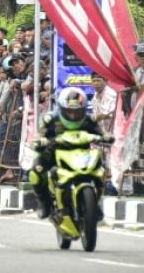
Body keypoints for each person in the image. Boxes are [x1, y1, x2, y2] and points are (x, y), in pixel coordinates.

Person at [29, 87, 107, 219]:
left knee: (101, 168)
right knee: (37, 170)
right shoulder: (50, 119)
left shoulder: (89, 120)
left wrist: (106, 137)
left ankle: (95, 203)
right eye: (69, 112)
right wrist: (40, 141)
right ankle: (43, 203)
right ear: (61, 108)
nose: (73, 115)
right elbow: (38, 136)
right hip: (54, 154)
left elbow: (102, 134)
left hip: (83, 155)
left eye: (77, 112)